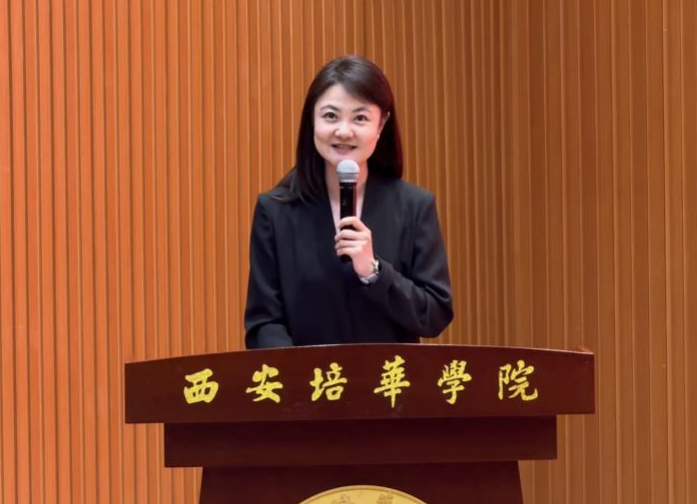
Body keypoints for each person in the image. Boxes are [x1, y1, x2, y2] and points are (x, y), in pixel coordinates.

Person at [244, 55, 453, 348]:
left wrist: (374, 271)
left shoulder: (414, 206)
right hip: (308, 377)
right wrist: (300, 372)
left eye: (360, 118)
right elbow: (264, 322)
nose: (344, 131)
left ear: (381, 124)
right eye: (331, 116)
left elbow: (435, 314)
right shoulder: (275, 210)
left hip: (389, 377)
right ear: (312, 120)